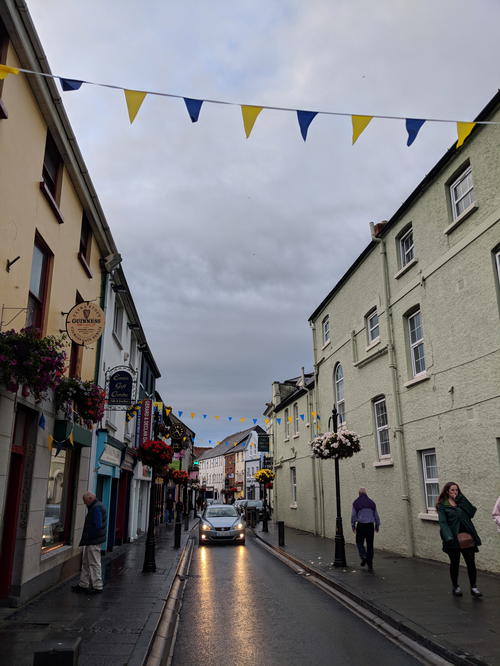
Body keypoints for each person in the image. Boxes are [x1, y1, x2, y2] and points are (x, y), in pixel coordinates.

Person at [437, 482, 482, 598]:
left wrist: (461, 499)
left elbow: (472, 512)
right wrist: (448, 537)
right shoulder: (442, 505)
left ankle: (474, 587)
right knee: (455, 563)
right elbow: (443, 522)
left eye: (456, 490)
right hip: (453, 539)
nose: (455, 492)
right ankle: (455, 586)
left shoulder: (461, 502)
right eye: (452, 490)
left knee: (471, 563)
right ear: (447, 491)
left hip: (467, 537)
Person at [72, 492, 107, 594]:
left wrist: (89, 536)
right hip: (92, 541)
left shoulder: (96, 508)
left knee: (94, 563)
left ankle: (97, 586)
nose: (84, 503)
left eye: (85, 501)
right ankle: (83, 584)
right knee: (86, 563)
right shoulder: (97, 506)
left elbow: (97, 525)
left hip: (93, 541)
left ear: (90, 498)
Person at [351, 488, 380, 570]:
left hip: (361, 526)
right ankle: (370, 563)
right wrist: (377, 525)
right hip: (370, 526)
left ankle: (364, 556)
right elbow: (376, 515)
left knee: (359, 542)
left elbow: (353, 516)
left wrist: (353, 525)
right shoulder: (372, 503)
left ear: (359, 494)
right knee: (370, 545)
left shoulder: (356, 503)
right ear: (366, 493)